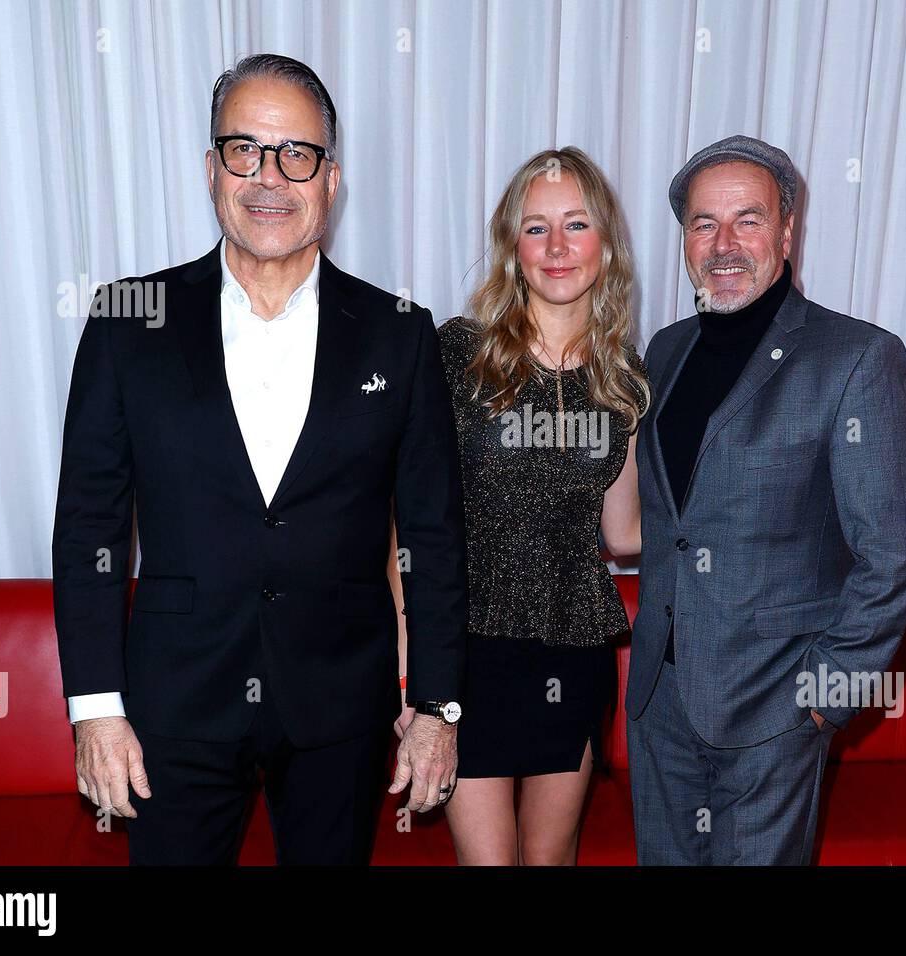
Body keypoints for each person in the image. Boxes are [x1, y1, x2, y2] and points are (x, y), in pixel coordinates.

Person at [52, 53, 467, 865]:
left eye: (296, 154)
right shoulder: (128, 321)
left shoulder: (400, 332)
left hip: (342, 709)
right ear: (212, 170)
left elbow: (434, 533)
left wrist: (437, 706)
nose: (269, 176)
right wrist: (95, 708)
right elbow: (88, 529)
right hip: (175, 706)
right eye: (244, 150)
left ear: (331, 179)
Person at [627, 135, 906, 865]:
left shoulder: (857, 357)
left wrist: (821, 702)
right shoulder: (664, 352)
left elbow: (896, 553)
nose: (724, 243)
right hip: (658, 701)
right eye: (704, 224)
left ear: (787, 230)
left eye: (748, 219)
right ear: (685, 241)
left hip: (775, 707)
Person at [394, 146, 648, 865]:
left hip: (575, 649)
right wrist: (413, 675)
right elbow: (403, 525)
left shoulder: (625, 377)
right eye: (536, 228)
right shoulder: (457, 354)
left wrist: (742, 530)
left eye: (576, 224)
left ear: (606, 243)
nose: (558, 247)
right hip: (464, 654)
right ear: (512, 247)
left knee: (550, 861)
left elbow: (624, 533)